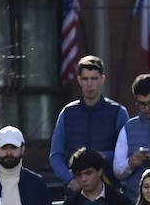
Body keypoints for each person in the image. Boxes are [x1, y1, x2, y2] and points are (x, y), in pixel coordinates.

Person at [50, 55, 129, 189]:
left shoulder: (118, 112)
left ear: (102, 80)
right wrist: (70, 180)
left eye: (94, 78)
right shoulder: (67, 113)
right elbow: (56, 155)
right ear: (79, 80)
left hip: (109, 188)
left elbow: (127, 152)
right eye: (85, 79)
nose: (89, 84)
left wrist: (105, 155)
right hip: (75, 191)